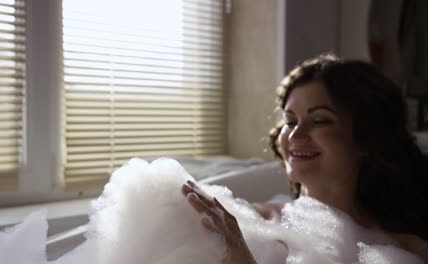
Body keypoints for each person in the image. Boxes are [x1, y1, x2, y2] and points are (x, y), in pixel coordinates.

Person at [182, 54, 428, 263]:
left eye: (320, 120)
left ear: (365, 139)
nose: (295, 134)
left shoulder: (406, 250)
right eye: (290, 121)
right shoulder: (247, 223)